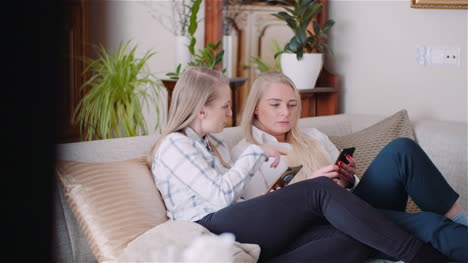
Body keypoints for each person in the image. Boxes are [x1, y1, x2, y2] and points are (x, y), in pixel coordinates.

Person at [147, 66, 449, 263]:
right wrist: (257, 152)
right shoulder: (176, 144)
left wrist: (270, 201)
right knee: (317, 190)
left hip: (236, 226)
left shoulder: (212, 143)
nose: (228, 114)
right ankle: (422, 257)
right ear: (201, 110)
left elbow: (237, 201)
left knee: (352, 237)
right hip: (208, 228)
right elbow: (219, 198)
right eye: (225, 106)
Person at [231, 71, 468, 262]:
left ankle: (461, 221)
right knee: (428, 224)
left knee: (401, 150)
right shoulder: (246, 152)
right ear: (255, 107)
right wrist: (310, 187)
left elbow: (346, 191)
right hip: (318, 227)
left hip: (351, 208)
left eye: (292, 105)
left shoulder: (313, 136)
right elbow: (258, 217)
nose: (286, 112)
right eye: (275, 105)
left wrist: (347, 179)